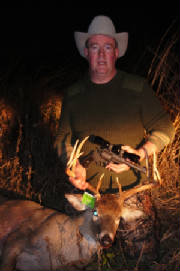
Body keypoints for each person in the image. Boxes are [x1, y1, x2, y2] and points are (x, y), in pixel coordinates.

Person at [54, 15, 175, 264]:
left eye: (107, 47)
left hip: (127, 193)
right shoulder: (73, 95)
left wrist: (140, 153)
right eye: (95, 47)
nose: (101, 54)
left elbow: (164, 129)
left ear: (116, 51)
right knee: (70, 251)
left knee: (142, 258)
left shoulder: (137, 88)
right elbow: (62, 138)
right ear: (86, 52)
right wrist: (73, 163)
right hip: (89, 193)